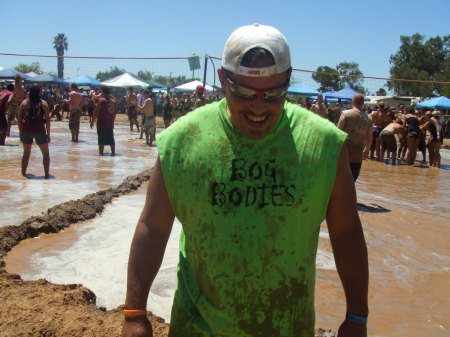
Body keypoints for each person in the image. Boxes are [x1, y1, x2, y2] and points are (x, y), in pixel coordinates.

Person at [122, 24, 368, 337]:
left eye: (274, 94)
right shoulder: (183, 142)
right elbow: (153, 227)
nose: (258, 107)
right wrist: (134, 314)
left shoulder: (322, 145)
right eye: (245, 93)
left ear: (288, 80)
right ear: (224, 81)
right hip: (198, 327)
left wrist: (357, 317)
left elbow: (346, 232)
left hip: (287, 327)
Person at [17, 85, 51, 178]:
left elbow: (19, 119)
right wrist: (48, 134)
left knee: (26, 154)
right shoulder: (43, 103)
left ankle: (23, 174)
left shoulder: (24, 103)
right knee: (45, 154)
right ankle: (46, 175)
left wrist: (20, 132)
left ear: (29, 93)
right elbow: (47, 120)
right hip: (39, 130)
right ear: (39, 93)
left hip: (26, 130)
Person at [337, 93, 373, 181]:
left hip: (344, 154)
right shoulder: (368, 118)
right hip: (357, 156)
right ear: (363, 103)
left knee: (339, 184)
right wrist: (367, 150)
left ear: (352, 102)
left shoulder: (346, 114)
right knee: (352, 183)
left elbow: (337, 133)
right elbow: (370, 137)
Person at [90, 86, 117, 156]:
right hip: (110, 123)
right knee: (111, 139)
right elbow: (114, 113)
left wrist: (92, 121)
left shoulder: (101, 101)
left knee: (101, 139)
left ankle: (101, 153)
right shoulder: (113, 102)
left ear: (102, 92)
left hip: (101, 123)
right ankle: (113, 153)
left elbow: (96, 113)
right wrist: (112, 121)